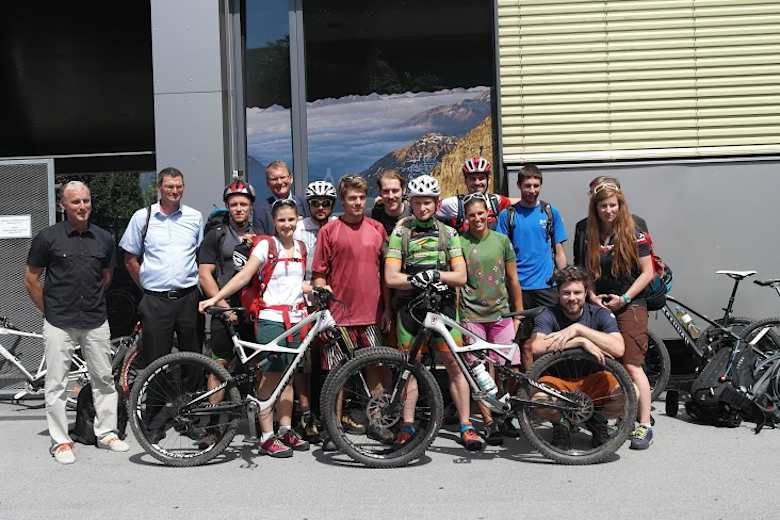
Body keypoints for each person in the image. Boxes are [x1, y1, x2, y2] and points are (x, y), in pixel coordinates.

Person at [25, 181, 129, 464]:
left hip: (95, 319)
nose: (82, 206)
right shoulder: (47, 238)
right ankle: (61, 441)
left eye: (86, 200)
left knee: (103, 379)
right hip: (59, 322)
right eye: (75, 202)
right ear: (63, 205)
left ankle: (106, 433)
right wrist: (49, 311)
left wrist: (90, 301)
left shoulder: (104, 238)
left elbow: (105, 278)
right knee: (56, 383)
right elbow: (31, 279)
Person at [199, 199, 311, 458]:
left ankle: (285, 429)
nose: (286, 225)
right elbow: (244, 276)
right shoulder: (266, 245)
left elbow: (296, 284)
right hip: (271, 320)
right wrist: (216, 298)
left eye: (291, 219)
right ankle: (267, 436)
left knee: (288, 377)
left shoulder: (302, 247)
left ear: (297, 220)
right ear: (274, 222)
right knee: (271, 377)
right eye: (281, 220)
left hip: (296, 319)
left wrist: (318, 289)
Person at [384, 175, 483, 451]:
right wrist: (415, 280)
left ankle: (466, 425)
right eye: (417, 202)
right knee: (410, 367)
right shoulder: (401, 233)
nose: (422, 208)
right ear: (411, 203)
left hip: (443, 307)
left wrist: (436, 275)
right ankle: (407, 425)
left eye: (427, 202)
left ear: (437, 203)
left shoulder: (448, 233)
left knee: (454, 365)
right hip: (411, 309)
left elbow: (461, 276)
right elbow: (391, 277)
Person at [311, 175, 390, 441]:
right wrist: (324, 308)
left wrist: (388, 309)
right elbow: (319, 275)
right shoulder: (329, 231)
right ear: (342, 201)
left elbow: (386, 275)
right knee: (337, 373)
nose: (357, 203)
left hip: (372, 313)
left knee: (375, 367)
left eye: (361, 198)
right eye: (351, 198)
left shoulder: (377, 228)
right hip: (339, 316)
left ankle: (377, 422)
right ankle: (332, 428)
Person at [583, 181, 655, 450]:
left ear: (620, 205)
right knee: (605, 363)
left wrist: (624, 298)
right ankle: (618, 417)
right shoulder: (591, 232)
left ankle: (644, 424)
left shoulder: (634, 231)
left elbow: (648, 272)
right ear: (596, 207)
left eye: (613, 205)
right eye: (603, 205)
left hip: (630, 305)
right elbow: (589, 271)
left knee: (633, 365)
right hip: (602, 305)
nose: (608, 210)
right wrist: (591, 295)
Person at [527, 265, 626, 449]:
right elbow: (536, 346)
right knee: (539, 399)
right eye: (566, 293)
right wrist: (579, 342)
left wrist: (579, 330)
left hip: (594, 380)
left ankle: (597, 419)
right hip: (558, 382)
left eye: (577, 292)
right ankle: (561, 424)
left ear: (586, 293)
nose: (572, 298)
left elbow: (619, 348)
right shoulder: (548, 314)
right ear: (558, 293)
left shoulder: (600, 313)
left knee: (631, 392)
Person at [119, 167, 204, 366]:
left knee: (194, 359)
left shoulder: (195, 217)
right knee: (155, 361)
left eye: (179, 186)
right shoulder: (142, 217)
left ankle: (192, 388)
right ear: (159, 188)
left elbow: (199, 255)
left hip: (188, 298)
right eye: (169, 187)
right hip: (155, 301)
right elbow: (130, 259)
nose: (175, 191)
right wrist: (146, 288)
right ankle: (157, 389)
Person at [459, 193, 524, 445]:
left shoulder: (501, 240)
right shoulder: (460, 242)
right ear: (466, 218)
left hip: (501, 313)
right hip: (471, 315)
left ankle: (503, 414)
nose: (477, 218)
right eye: (471, 215)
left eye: (480, 213)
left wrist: (518, 312)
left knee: (510, 368)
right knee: (479, 371)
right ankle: (489, 422)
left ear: (488, 213)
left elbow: (513, 279)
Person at [496, 164, 567, 368]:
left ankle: (552, 380)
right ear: (519, 185)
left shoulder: (550, 212)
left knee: (553, 339)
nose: (532, 190)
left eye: (536, 185)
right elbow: (501, 254)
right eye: (527, 185)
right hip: (519, 289)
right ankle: (529, 383)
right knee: (523, 343)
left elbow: (559, 251)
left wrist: (564, 279)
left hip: (546, 287)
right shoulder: (507, 215)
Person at [198, 179, 258, 394]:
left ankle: (253, 411)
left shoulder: (261, 233)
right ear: (227, 206)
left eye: (243, 204)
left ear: (251, 206)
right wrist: (224, 308)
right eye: (234, 205)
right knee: (219, 366)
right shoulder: (216, 235)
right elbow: (204, 275)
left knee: (256, 364)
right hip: (225, 309)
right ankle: (213, 415)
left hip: (254, 310)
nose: (239, 209)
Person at [292, 180, 337, 441]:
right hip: (304, 299)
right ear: (309, 205)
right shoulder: (299, 228)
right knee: (305, 361)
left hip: (331, 300)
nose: (321, 207)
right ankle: (306, 413)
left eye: (326, 203)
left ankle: (328, 413)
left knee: (328, 359)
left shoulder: (336, 225)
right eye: (316, 203)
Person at [573, 176, 648, 268]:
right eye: (592, 193)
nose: (596, 196)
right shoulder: (582, 227)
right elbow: (579, 263)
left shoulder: (635, 224)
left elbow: (646, 264)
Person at [435, 156, 515, 233]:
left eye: (481, 178)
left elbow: (519, 203)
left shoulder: (495, 201)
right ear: (465, 181)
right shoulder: (454, 203)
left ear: (489, 180)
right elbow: (430, 207)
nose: (477, 183)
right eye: (472, 179)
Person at [254, 160, 310, 234]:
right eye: (274, 179)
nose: (279, 182)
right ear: (268, 183)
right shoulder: (260, 211)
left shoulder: (306, 205)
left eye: (282, 177)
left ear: (291, 179)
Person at [371, 169, 410, 235]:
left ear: (403, 190)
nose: (391, 196)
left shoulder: (415, 215)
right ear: (380, 192)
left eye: (395, 191)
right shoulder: (372, 217)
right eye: (386, 191)